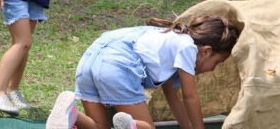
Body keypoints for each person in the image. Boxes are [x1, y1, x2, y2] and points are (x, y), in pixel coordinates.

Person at [45, 15, 240, 129]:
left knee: (99, 126)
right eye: (217, 63)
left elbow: (174, 98)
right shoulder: (188, 47)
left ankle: (70, 113)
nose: (213, 69)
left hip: (90, 59)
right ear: (206, 51)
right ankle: (132, 125)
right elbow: (190, 98)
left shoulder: (170, 40)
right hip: (117, 66)